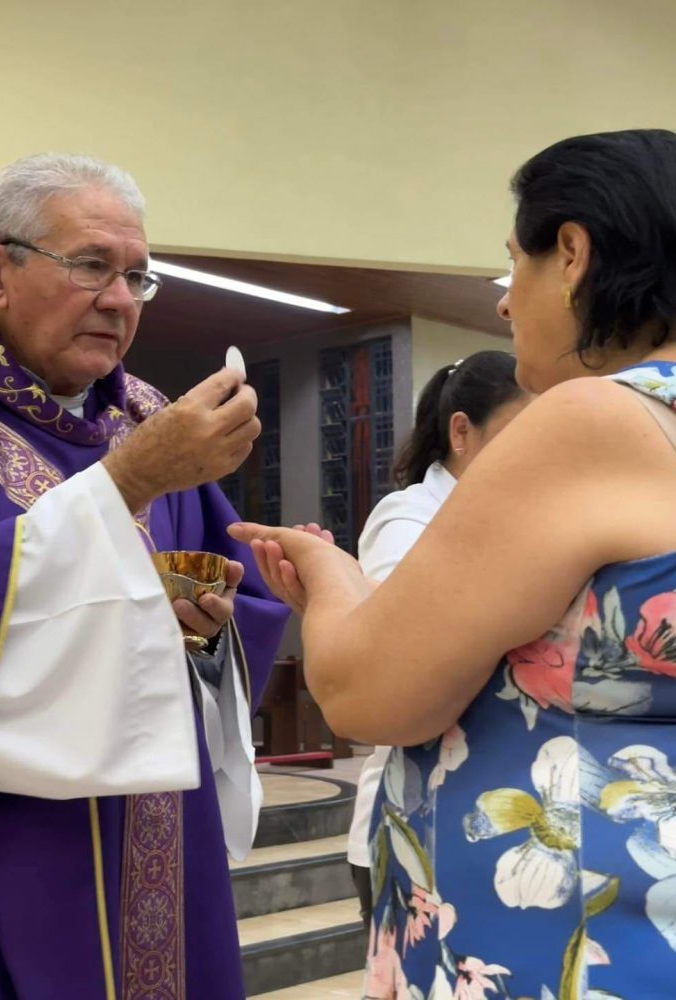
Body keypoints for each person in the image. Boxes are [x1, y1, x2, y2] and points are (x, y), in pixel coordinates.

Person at [230, 129, 676, 999]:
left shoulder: (598, 420)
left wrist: (330, 579)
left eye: (514, 265)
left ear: (573, 253)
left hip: (572, 942)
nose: (506, 304)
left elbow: (374, 694)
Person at [0, 153, 288, 1000]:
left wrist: (210, 629)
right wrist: (125, 482)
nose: (121, 300)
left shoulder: (151, 417)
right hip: (6, 842)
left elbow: (222, 597)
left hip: (164, 835)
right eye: (92, 265)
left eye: (137, 277)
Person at [347, 351, 528, 935]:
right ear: (461, 432)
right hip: (415, 815)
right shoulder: (407, 517)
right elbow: (412, 651)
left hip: (487, 806)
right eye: (518, 434)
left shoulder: (514, 517)